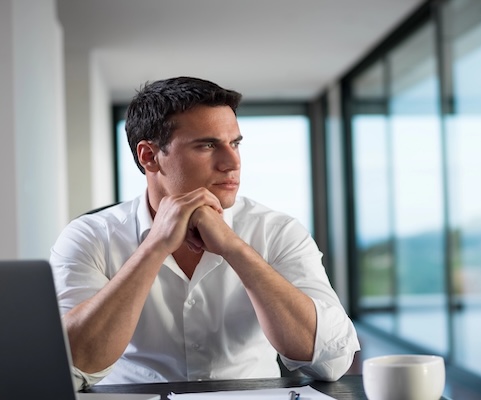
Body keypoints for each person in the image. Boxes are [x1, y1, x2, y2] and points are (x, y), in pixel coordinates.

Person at [50, 76, 360, 389]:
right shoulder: (89, 236)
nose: (232, 162)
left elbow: (332, 361)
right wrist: (154, 247)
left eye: (235, 144)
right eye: (207, 145)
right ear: (149, 156)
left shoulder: (278, 231)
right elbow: (71, 367)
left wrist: (235, 249)